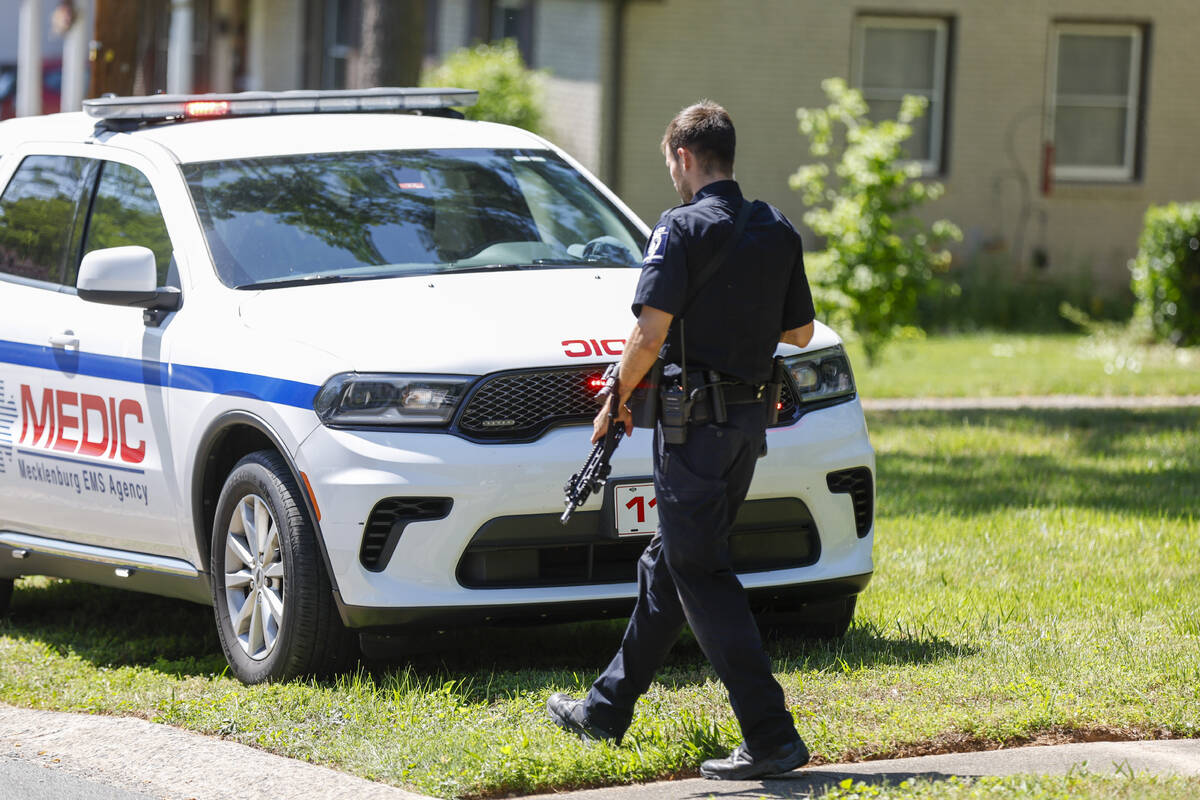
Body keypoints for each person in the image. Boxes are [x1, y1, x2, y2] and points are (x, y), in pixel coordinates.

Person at [546, 100, 817, 780]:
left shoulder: (681, 228)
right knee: (669, 565)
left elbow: (649, 332)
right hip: (746, 429)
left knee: (699, 571)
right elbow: (800, 332)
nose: (672, 171)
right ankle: (605, 709)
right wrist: (735, 316)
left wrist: (613, 401)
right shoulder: (775, 228)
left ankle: (771, 734)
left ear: (685, 159)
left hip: (693, 430)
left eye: (671, 161)